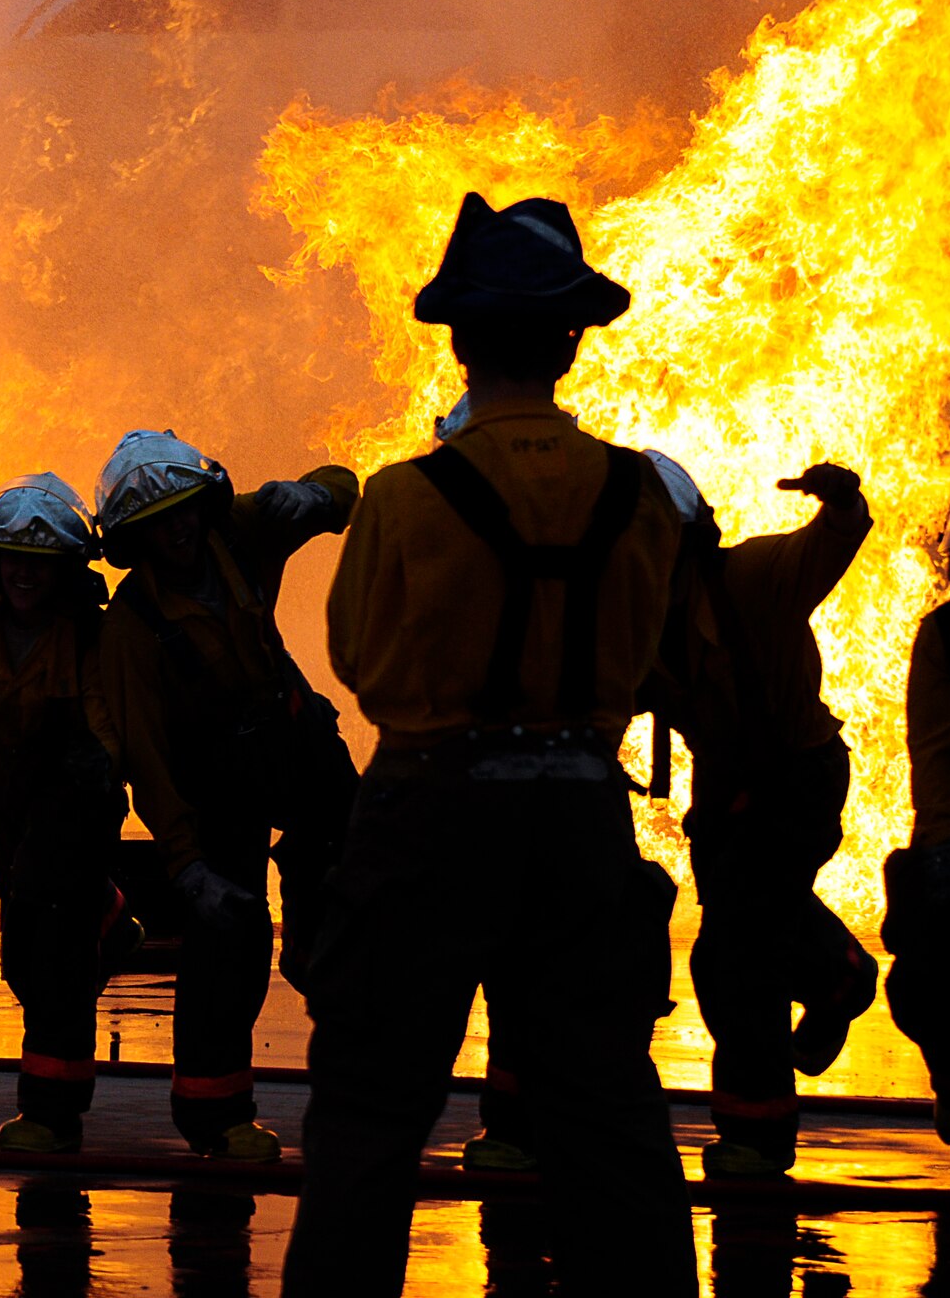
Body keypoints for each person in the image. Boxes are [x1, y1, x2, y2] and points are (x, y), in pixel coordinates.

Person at [284, 193, 696, 1296]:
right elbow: (650, 650)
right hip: (577, 815)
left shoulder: (407, 496)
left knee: (370, 1111)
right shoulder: (639, 497)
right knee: (605, 1110)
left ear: (459, 343)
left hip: (428, 808)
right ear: (569, 341)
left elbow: (360, 660)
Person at [95, 429, 359, 1162]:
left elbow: (344, 489)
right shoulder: (130, 628)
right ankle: (215, 1115)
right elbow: (146, 756)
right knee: (230, 939)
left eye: (186, 509)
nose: (180, 528)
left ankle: (313, 952)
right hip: (214, 786)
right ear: (135, 536)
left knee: (351, 871)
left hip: (296, 743)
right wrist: (186, 866)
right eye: (160, 521)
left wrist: (312, 492)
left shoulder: (239, 530)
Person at [629, 448, 877, 1179]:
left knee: (736, 951)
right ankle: (839, 972)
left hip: (799, 781)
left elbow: (830, 544)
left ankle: (757, 1138)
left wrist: (841, 500)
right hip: (728, 799)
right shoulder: (635, 625)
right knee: (750, 926)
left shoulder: (754, 580)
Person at [0, 473, 141, 1154]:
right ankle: (108, 915)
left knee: (48, 959)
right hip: (11, 796)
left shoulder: (92, 635)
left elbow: (119, 728)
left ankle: (51, 1112)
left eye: (38, 562)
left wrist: (96, 775)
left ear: (66, 568)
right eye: (10, 556)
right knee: (26, 958)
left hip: (76, 800)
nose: (22, 573)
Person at [884, 482, 950, 1150]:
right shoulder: (948, 636)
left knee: (927, 976)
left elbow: (935, 747)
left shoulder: (946, 632)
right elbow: (938, 748)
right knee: (926, 975)